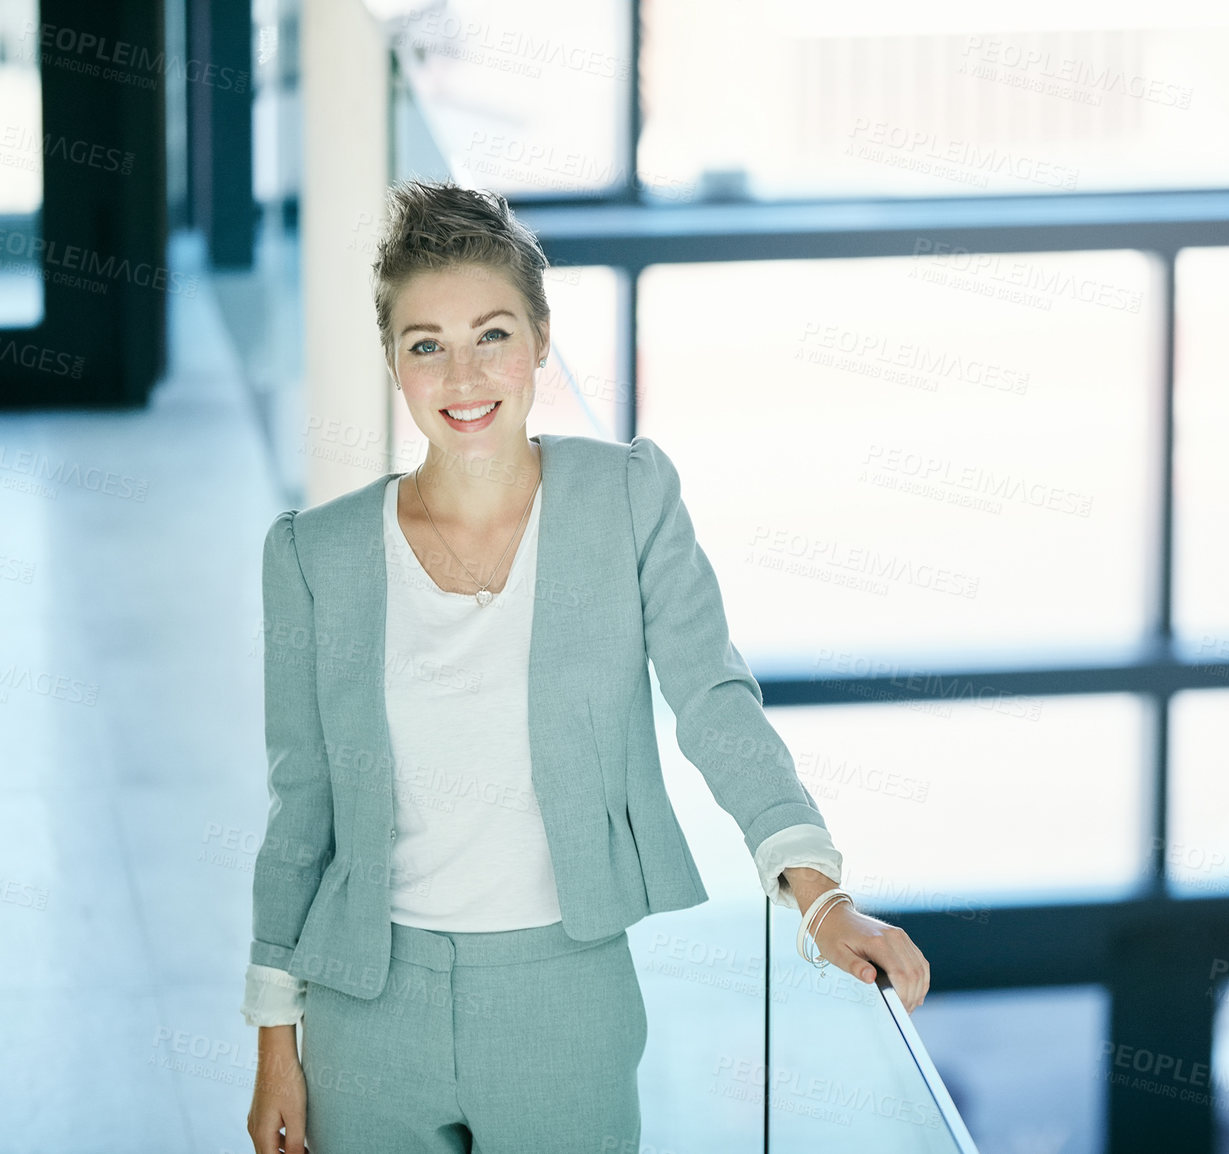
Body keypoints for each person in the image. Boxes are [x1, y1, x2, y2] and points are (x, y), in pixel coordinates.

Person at [244, 179, 930, 1153]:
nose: (462, 375)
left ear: (537, 337)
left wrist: (816, 890)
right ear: (395, 363)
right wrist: (277, 1036)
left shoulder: (626, 499)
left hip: (563, 993)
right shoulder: (315, 553)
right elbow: (299, 806)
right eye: (425, 344)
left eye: (491, 333)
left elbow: (711, 697)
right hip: (366, 1013)